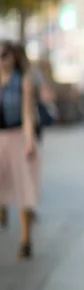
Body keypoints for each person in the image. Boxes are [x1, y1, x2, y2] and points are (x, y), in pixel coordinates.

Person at [0, 41, 39, 258]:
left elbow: (27, 114)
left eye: (4, 55)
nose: (1, 60)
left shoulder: (22, 81)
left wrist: (29, 142)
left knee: (25, 189)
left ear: (13, 57)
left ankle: (26, 240)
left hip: (17, 137)